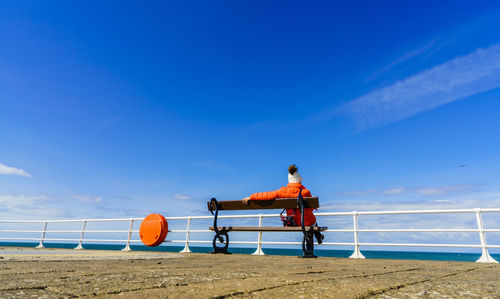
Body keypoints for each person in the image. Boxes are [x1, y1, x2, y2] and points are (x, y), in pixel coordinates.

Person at [242, 164, 324, 244]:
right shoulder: (306, 192)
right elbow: (312, 207)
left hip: (292, 221)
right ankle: (317, 239)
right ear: (299, 180)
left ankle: (318, 237)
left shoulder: (282, 191)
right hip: (306, 222)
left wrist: (251, 197)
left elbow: (266, 195)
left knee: (309, 221)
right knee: (312, 221)